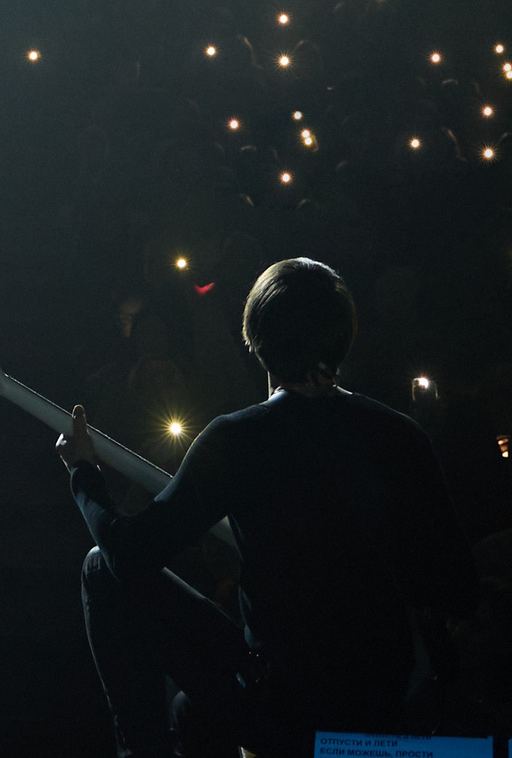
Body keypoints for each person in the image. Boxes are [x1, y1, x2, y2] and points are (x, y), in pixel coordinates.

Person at [60, 258, 477, 758]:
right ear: (344, 335)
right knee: (190, 711)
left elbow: (130, 555)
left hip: (288, 708)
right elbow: (460, 590)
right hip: (388, 701)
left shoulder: (238, 438)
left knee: (100, 569)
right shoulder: (401, 435)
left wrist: (84, 475)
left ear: (255, 338)